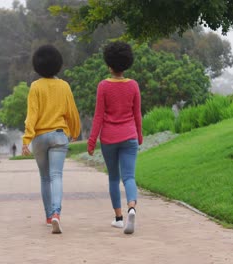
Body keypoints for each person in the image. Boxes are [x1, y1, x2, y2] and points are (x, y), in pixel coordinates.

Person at [22, 44, 80, 234]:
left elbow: (32, 115)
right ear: (58, 64)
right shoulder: (64, 86)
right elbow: (72, 112)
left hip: (39, 137)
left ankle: (48, 216)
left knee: (45, 177)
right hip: (58, 135)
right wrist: (74, 131)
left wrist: (26, 139)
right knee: (57, 176)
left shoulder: (35, 87)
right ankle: (57, 213)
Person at [87, 41, 143, 235]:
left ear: (109, 64)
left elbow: (98, 116)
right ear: (127, 62)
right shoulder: (134, 85)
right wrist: (140, 136)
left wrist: (92, 140)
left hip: (109, 138)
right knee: (129, 176)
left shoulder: (103, 86)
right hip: (130, 136)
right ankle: (132, 208)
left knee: (113, 177)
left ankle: (119, 218)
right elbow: (137, 115)